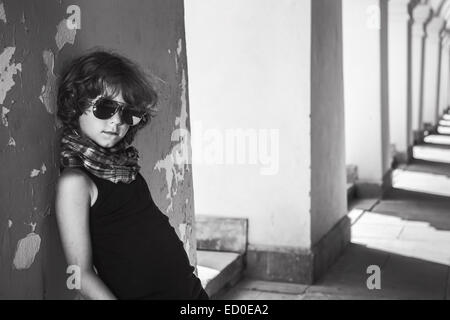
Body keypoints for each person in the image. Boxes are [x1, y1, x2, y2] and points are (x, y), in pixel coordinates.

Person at [55, 50, 208, 300]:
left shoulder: (124, 167)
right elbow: (79, 274)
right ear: (77, 103)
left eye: (127, 113)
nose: (117, 121)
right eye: (105, 107)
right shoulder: (76, 182)